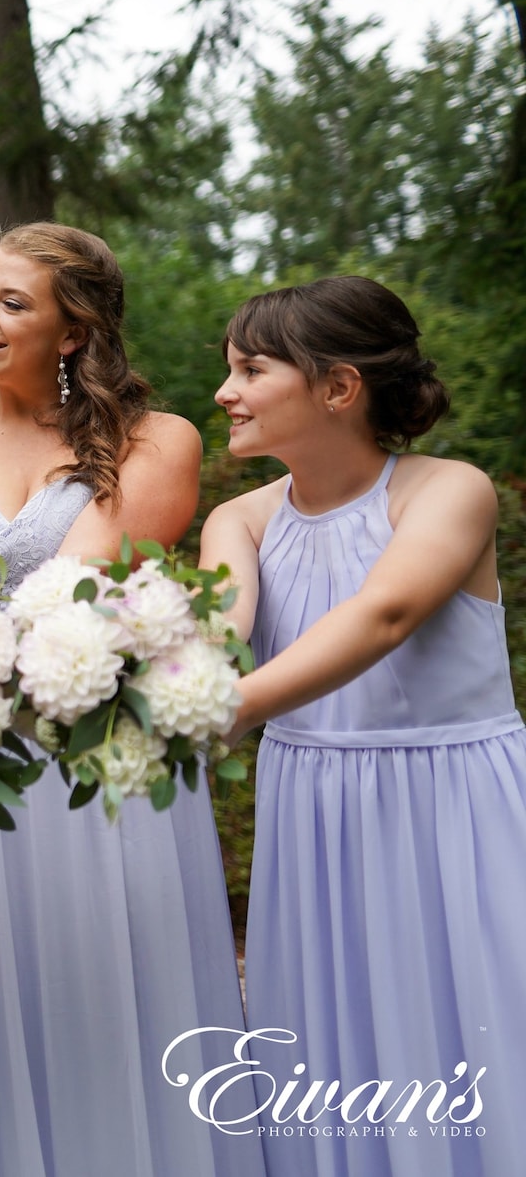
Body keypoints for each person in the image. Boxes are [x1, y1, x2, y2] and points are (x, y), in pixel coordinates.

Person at [0, 223, 261, 1177]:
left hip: (98, 766)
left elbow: (85, 582)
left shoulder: (157, 440)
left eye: (13, 302)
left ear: (72, 330)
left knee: (109, 1007)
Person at [200, 276, 523, 1177]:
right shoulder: (239, 519)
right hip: (315, 814)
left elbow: (384, 616)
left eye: (250, 369)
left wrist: (231, 709)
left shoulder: (449, 491)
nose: (224, 392)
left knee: (473, 1027)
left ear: (338, 387)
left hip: (452, 808)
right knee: (333, 1042)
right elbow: (218, 636)